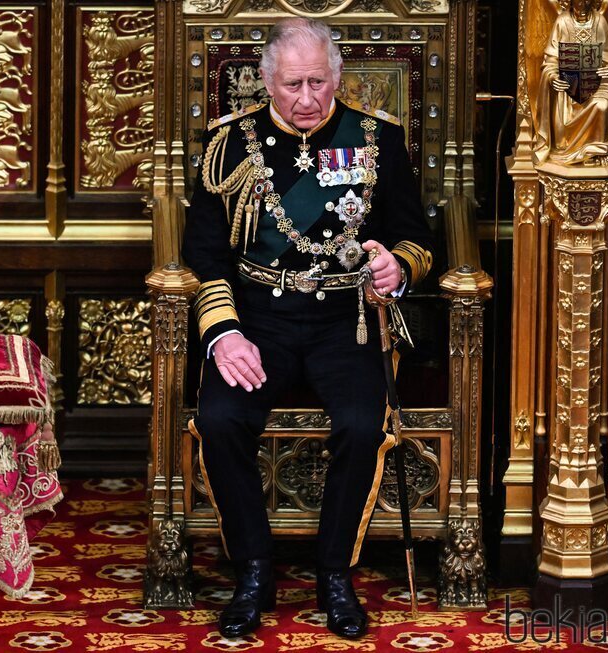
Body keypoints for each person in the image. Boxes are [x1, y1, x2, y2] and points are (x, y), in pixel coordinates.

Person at [182, 17, 433, 640]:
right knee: (219, 419)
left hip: (344, 319)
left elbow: (418, 239)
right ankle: (254, 571)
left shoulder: (377, 139)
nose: (305, 99)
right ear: (267, 82)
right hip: (257, 317)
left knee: (358, 422)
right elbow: (204, 253)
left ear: (338, 77)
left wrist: (396, 265)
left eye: (317, 82)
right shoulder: (229, 144)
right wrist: (224, 334)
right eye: (291, 84)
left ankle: (335, 574)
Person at [534, 0, 608, 165]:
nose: (582, 4)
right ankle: (566, 148)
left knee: (603, 104)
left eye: (586, 0)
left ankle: (598, 151)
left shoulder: (599, 22)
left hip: (596, 83)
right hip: (568, 85)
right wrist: (553, 77)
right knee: (562, 122)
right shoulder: (562, 21)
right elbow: (551, 61)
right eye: (578, 1)